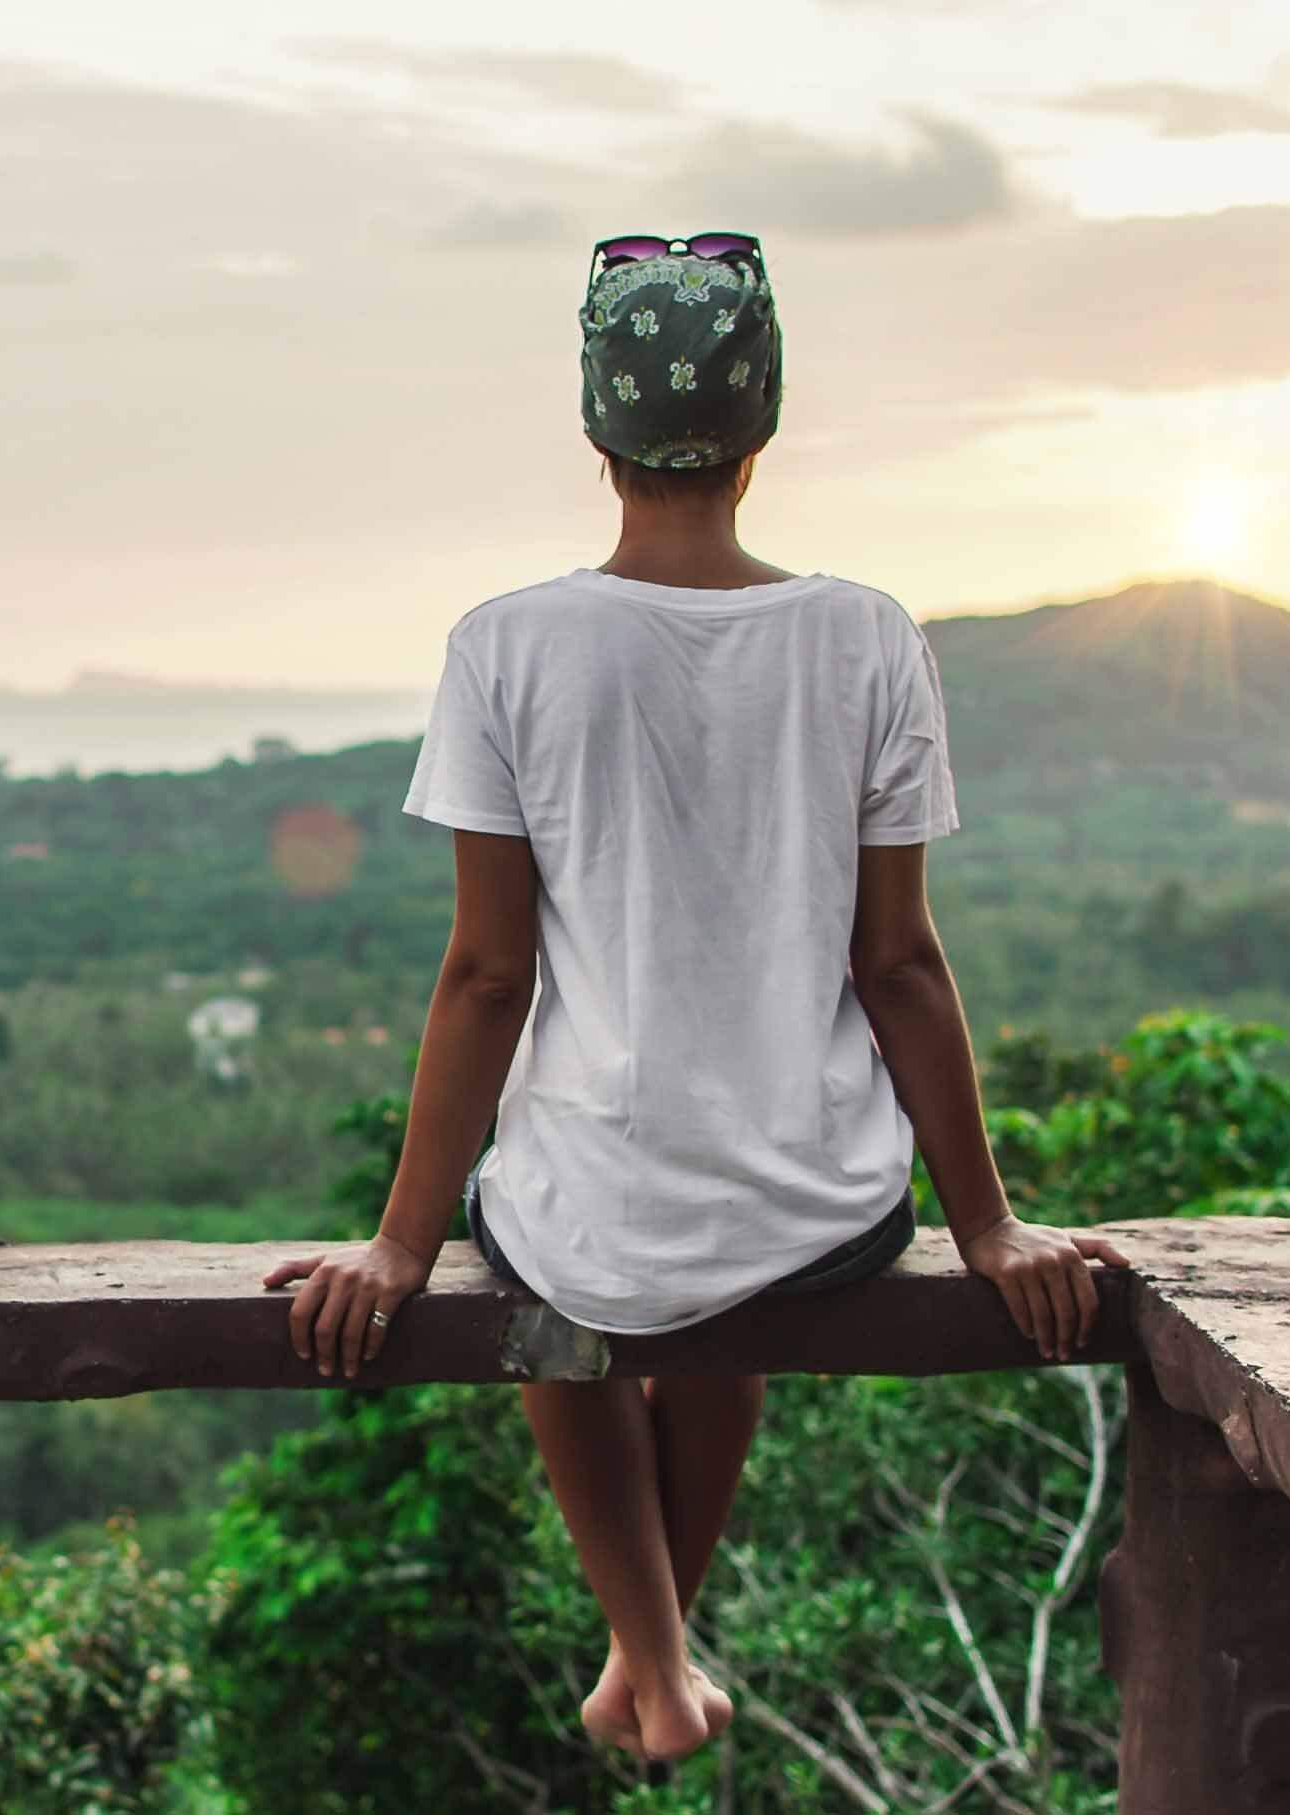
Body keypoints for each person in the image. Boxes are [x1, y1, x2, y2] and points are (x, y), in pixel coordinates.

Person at [261, 231, 1132, 1765]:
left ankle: (647, 1657)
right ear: (763, 434)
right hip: (820, 1205)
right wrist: (986, 1221)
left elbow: (485, 972)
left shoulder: (507, 644)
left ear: (595, 435)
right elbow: (899, 963)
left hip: (596, 1203)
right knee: (719, 1281)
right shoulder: (864, 635)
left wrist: (402, 1242)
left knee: (560, 1278)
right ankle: (655, 1664)